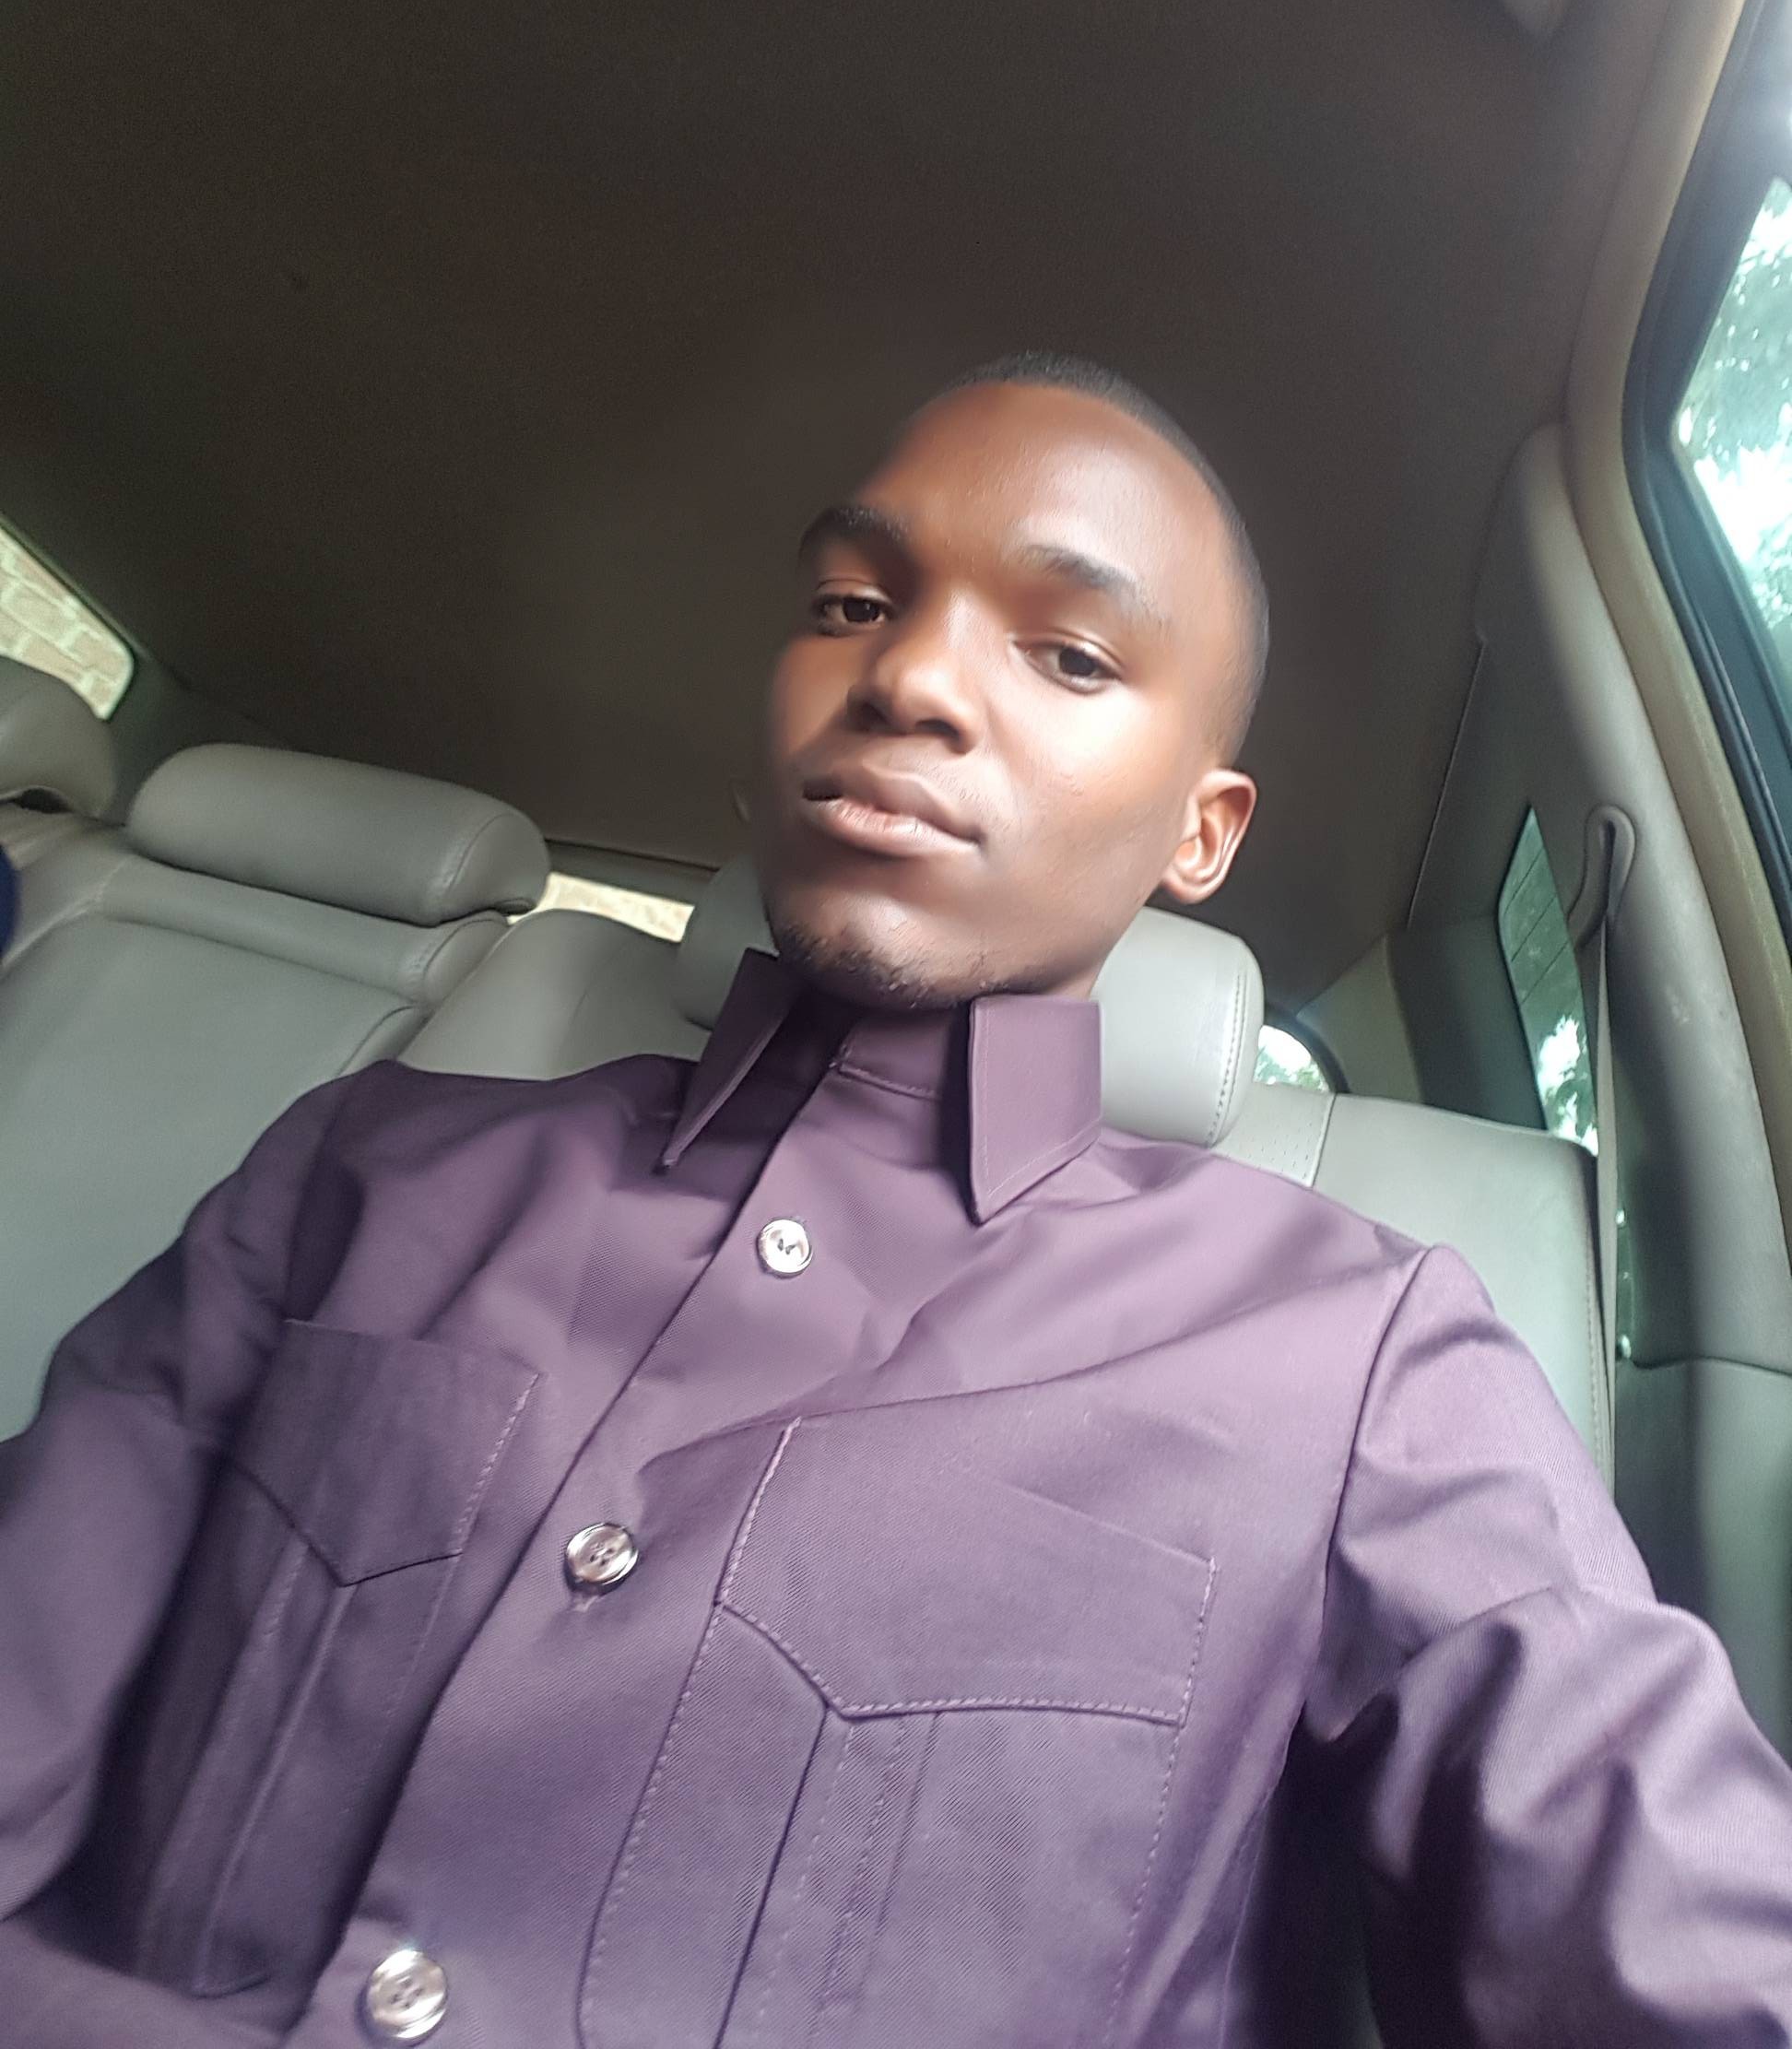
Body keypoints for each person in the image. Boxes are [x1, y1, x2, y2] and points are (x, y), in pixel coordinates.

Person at [1, 354, 1789, 2049]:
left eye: (1070, 654)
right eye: (851, 606)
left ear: (1203, 832)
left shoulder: (1363, 1366)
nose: (911, 678)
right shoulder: (367, 1170)